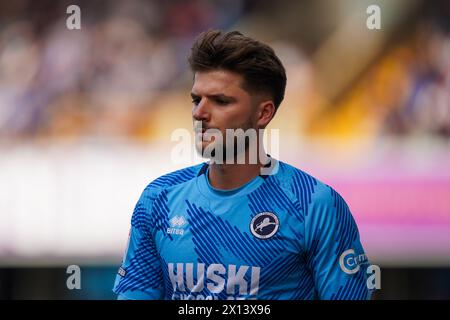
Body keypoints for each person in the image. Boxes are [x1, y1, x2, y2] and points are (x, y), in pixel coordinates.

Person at [113, 29, 372, 300]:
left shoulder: (315, 205)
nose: (199, 113)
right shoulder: (158, 198)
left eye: (221, 101)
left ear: (263, 113)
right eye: (196, 99)